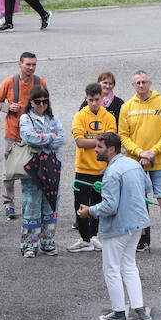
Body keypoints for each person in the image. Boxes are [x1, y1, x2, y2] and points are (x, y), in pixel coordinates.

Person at [77, 132, 151, 320]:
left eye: (99, 147)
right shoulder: (134, 164)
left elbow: (109, 206)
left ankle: (119, 312)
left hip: (118, 227)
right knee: (129, 266)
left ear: (111, 149)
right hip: (137, 224)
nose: (95, 149)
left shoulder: (111, 172)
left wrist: (89, 211)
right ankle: (140, 310)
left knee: (111, 269)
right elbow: (147, 186)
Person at [119, 71, 161, 257]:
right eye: (137, 82)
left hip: (158, 161)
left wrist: (152, 152)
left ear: (150, 83)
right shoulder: (127, 107)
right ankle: (144, 238)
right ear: (133, 85)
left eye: (144, 82)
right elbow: (123, 135)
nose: (141, 85)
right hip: (135, 162)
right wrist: (140, 153)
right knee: (139, 200)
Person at [0, 52, 48, 221]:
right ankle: (8, 204)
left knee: (34, 172)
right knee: (9, 172)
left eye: (34, 65)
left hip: (33, 135)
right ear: (20, 64)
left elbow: (46, 104)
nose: (31, 68)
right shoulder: (10, 82)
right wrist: (8, 108)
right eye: (28, 65)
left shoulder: (40, 82)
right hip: (12, 134)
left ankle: (30, 204)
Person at [68, 82, 117, 252]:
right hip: (83, 168)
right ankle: (84, 238)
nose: (94, 103)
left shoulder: (109, 117)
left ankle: (94, 236)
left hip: (102, 169)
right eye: (91, 100)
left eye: (97, 99)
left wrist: (93, 142)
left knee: (98, 204)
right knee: (80, 205)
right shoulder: (80, 116)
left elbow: (111, 142)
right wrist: (100, 142)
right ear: (85, 98)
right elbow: (79, 142)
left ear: (102, 98)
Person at [18, 86, 64, 257]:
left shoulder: (53, 118)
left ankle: (48, 242)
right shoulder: (25, 118)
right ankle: (29, 245)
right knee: (32, 203)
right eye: (38, 102)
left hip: (52, 166)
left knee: (51, 202)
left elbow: (62, 139)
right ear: (31, 102)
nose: (42, 105)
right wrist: (50, 136)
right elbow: (29, 138)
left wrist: (43, 139)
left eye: (45, 101)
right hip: (33, 166)